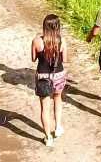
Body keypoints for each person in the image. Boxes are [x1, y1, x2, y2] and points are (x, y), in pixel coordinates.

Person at [31, 14, 67, 146]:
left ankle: (48, 138)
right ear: (58, 27)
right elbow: (66, 59)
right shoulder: (62, 41)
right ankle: (57, 128)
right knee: (58, 99)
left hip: (43, 77)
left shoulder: (36, 41)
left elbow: (33, 59)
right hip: (58, 75)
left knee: (44, 108)